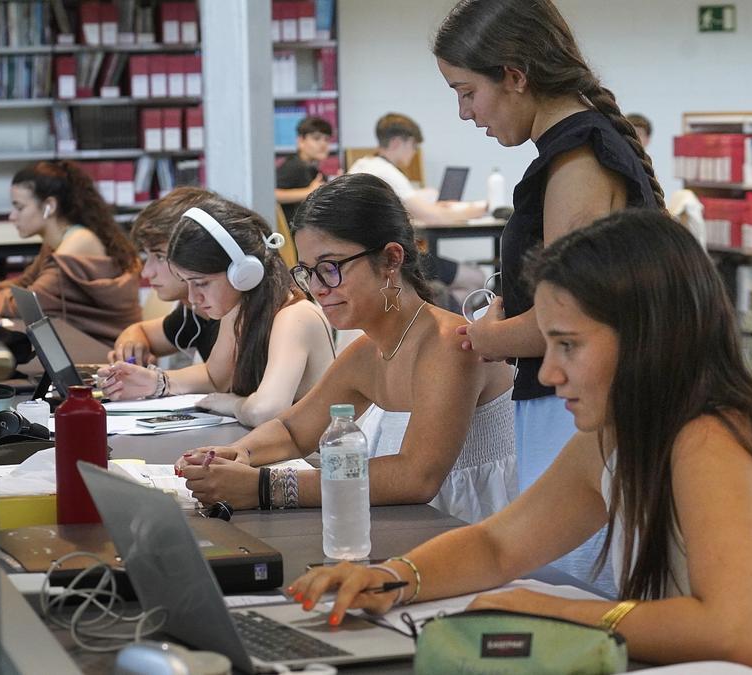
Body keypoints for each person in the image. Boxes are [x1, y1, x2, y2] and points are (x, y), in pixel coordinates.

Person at [288, 211, 752, 675]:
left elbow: (733, 632)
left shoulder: (711, 440)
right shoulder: (621, 432)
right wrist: (395, 577)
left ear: (646, 337)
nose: (548, 373)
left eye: (568, 345)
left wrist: (554, 612)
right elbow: (500, 546)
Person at [433, 0, 666, 589]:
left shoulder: (578, 160)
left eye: (466, 92)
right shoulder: (571, 152)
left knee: (581, 582)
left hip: (581, 410)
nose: (464, 113)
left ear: (514, 76)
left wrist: (485, 336)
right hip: (567, 407)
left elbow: (564, 320)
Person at [175, 174, 516, 524]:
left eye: (330, 268)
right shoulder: (368, 352)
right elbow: (293, 431)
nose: (319, 288)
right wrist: (234, 454)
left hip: (477, 534)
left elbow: (417, 476)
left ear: (390, 259)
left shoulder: (451, 344)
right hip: (419, 527)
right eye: (308, 271)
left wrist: (265, 486)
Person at [99, 196, 335, 428]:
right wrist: (155, 382)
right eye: (186, 282)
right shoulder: (240, 308)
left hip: (310, 461)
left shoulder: (295, 317)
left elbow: (265, 411)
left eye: (201, 283)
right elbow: (214, 378)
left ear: (243, 273)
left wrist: (232, 404)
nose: (192, 298)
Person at [0, 160, 141, 347]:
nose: (12, 216)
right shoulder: (57, 242)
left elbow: (33, 300)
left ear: (50, 205)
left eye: (19, 207)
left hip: (104, 351)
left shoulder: (77, 242)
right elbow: (23, 284)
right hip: (84, 344)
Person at [108, 186, 221, 366]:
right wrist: (132, 346)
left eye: (160, 256)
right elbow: (139, 330)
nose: (146, 272)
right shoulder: (194, 312)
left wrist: (155, 381)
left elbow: (216, 379)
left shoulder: (233, 315)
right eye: (148, 256)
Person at [348, 113, 487, 226]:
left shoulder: (363, 164)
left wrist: (430, 204)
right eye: (414, 146)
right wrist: (479, 209)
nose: (414, 152)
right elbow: (434, 218)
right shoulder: (386, 172)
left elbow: (406, 203)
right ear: (396, 143)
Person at [275, 116, 335, 226]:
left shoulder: (312, 169)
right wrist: (308, 192)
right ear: (301, 141)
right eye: (316, 138)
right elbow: (273, 194)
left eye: (326, 139)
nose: (323, 144)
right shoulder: (294, 166)